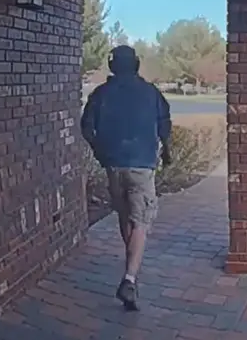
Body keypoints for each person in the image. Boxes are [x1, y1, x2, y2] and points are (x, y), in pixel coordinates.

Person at [80, 45, 172, 311]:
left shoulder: (100, 94)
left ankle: (130, 262)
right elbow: (164, 125)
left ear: (112, 66)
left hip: (113, 166)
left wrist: (99, 151)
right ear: (136, 64)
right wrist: (167, 151)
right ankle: (129, 279)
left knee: (125, 216)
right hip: (142, 166)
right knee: (140, 220)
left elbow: (86, 127)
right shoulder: (151, 92)